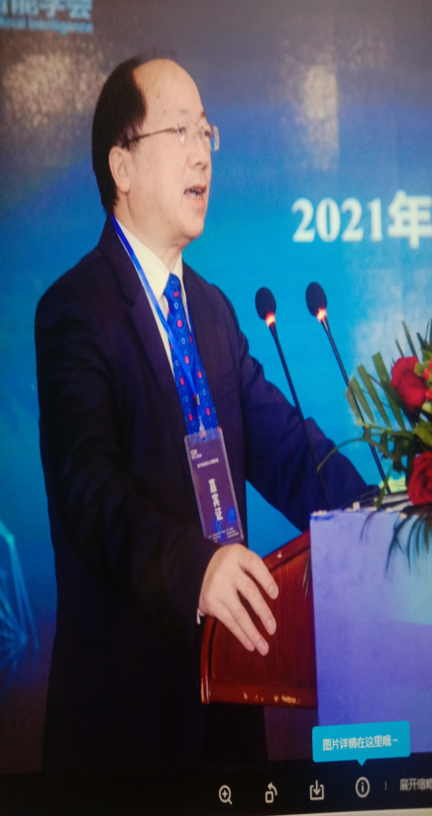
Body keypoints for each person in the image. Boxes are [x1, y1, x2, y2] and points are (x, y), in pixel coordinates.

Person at [35, 54, 368, 772]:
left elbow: (287, 447)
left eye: (207, 132)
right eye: (180, 131)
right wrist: (198, 570)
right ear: (122, 166)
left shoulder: (211, 310)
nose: (202, 154)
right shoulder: (76, 310)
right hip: (124, 726)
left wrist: (379, 522)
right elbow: (90, 488)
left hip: (228, 706)